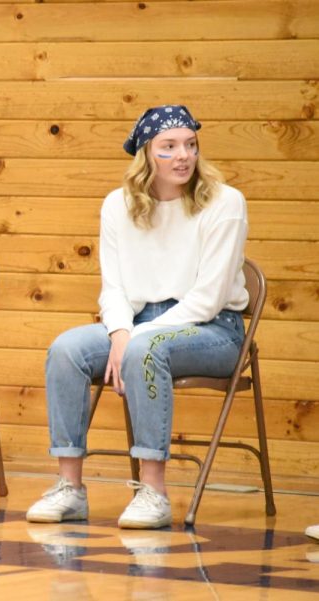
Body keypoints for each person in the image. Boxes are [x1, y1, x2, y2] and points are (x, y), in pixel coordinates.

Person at [26, 105, 249, 529]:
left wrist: (134, 338)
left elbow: (206, 298)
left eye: (190, 145)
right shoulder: (118, 205)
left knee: (144, 350)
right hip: (141, 324)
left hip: (213, 330)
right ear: (146, 154)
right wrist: (120, 332)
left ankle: (154, 492)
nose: (183, 155)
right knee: (67, 349)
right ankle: (70, 487)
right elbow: (114, 288)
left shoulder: (225, 202)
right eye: (169, 147)